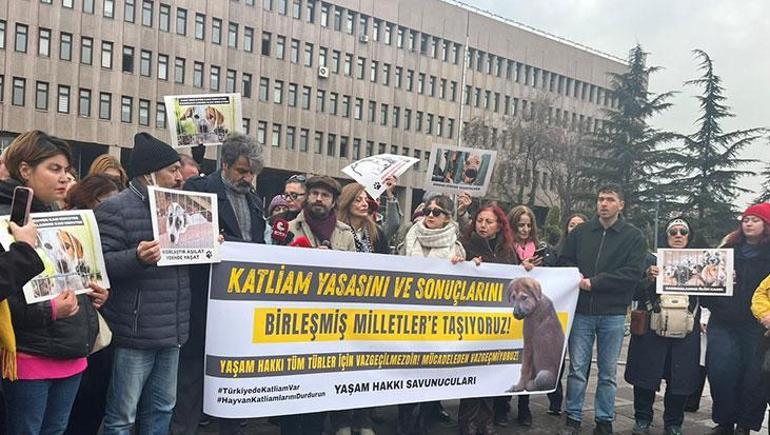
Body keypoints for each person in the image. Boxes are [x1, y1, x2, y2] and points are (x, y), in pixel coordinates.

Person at [0, 130, 107, 435]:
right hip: (29, 355)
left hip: (70, 351)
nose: (64, 178)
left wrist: (91, 294)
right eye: (54, 168)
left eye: (67, 169)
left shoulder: (55, 212)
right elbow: (7, 296)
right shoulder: (5, 218)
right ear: (25, 170)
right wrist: (51, 311)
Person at [95, 132, 189, 435]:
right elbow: (100, 265)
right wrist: (136, 257)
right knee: (123, 416)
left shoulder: (182, 206)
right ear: (149, 174)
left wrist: (210, 245)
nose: (180, 177)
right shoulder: (115, 208)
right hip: (135, 333)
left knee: (162, 408)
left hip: (172, 331)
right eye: (173, 170)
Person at [175, 133, 266, 435]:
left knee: (233, 376)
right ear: (225, 164)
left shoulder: (254, 201)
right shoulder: (198, 189)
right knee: (190, 380)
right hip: (201, 299)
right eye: (242, 171)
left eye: (252, 172)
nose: (248, 178)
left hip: (238, 306)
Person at [558, 184, 647, 435]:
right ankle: (573, 416)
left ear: (621, 205)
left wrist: (596, 283)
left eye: (609, 199)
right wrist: (575, 275)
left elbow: (632, 273)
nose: (603, 204)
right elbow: (565, 259)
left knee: (608, 372)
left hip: (613, 313)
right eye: (600, 199)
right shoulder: (582, 232)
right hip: (582, 311)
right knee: (577, 369)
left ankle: (604, 419)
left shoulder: (634, 237)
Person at [625, 217, 701, 435]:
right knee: (645, 376)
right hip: (652, 326)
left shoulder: (700, 263)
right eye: (673, 232)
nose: (678, 235)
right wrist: (648, 279)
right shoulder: (649, 260)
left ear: (689, 237)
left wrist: (725, 281)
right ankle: (642, 419)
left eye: (683, 232)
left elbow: (711, 298)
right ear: (666, 236)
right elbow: (632, 292)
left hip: (685, 328)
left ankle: (674, 423)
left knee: (680, 378)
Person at [397, 194, 465, 435]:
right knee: (406, 370)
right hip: (409, 316)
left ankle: (423, 420)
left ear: (447, 217)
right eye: (427, 211)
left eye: (437, 212)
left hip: (438, 319)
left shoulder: (455, 247)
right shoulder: (409, 238)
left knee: (430, 372)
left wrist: (461, 266)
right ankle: (404, 419)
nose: (430, 215)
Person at [702, 202, 770, 435]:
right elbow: (705, 286)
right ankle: (724, 421)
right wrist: (718, 283)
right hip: (724, 321)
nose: (749, 224)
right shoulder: (727, 250)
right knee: (720, 371)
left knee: (753, 376)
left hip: (757, 325)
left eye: (755, 220)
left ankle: (745, 424)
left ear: (766, 225)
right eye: (746, 220)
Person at [63, 174, 121, 435]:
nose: (114, 207)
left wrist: (106, 296)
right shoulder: (70, 226)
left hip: (98, 330)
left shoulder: (113, 229)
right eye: (108, 201)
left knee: (93, 404)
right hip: (67, 328)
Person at [490, 205, 557, 428]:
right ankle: (501, 405)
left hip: (533, 317)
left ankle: (524, 406)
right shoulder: (504, 248)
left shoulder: (541, 250)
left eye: (529, 225)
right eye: (521, 225)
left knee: (530, 356)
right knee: (506, 357)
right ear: (512, 225)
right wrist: (518, 268)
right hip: (509, 314)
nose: (525, 229)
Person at [457, 203, 520, 435]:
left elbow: (515, 277)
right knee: (470, 369)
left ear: (499, 226)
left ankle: (485, 420)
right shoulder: (465, 245)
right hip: (471, 318)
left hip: (496, 322)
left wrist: (526, 269)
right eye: (479, 221)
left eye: (488, 222)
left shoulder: (507, 251)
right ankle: (467, 421)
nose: (483, 225)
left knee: (490, 370)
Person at [548, 213, 588, 416]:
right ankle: (555, 397)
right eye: (572, 225)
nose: (576, 229)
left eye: (580, 225)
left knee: (580, 362)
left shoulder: (591, 254)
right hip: (560, 312)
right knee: (556, 358)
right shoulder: (556, 252)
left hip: (583, 312)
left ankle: (574, 405)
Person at [287, 175, 356, 251]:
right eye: (315, 193)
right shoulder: (289, 229)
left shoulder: (345, 234)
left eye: (325, 195)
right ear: (307, 197)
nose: (318, 199)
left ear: (333, 202)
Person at [337, 183, 389, 254]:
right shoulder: (336, 229)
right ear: (347, 203)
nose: (365, 204)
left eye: (366, 200)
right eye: (358, 200)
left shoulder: (376, 232)